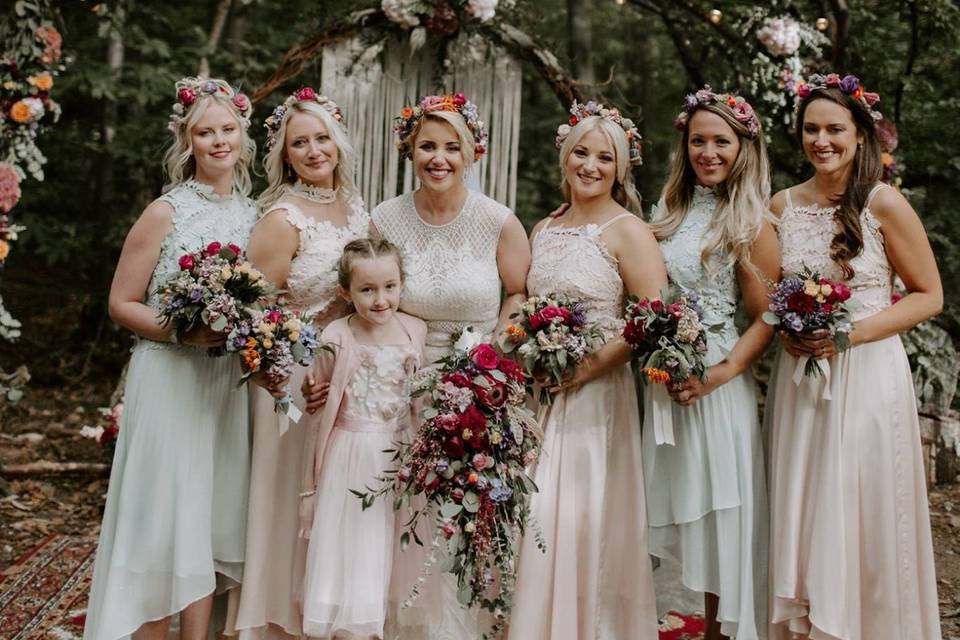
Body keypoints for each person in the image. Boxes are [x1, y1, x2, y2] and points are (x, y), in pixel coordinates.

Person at [336, 92, 529, 639]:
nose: (438, 157)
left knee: (465, 508)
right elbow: (361, 295)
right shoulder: (385, 218)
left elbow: (517, 293)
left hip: (478, 382)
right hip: (399, 383)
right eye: (427, 146)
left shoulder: (498, 221)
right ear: (410, 150)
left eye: (451, 146)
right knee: (403, 507)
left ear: (471, 153)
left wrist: (491, 352)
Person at [766, 73, 942, 639]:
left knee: (861, 502)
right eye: (812, 129)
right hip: (801, 378)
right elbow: (768, 296)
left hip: (867, 374)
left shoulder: (884, 204)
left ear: (860, 135)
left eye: (835, 129)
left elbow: (929, 295)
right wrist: (788, 328)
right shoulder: (781, 205)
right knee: (807, 499)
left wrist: (849, 335)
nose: (823, 140)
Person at [84, 77, 257, 640]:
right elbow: (119, 303)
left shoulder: (257, 215)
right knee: (162, 516)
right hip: (169, 377)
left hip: (226, 385)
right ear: (187, 141)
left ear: (243, 134)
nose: (218, 141)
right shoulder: (165, 212)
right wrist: (182, 334)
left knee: (210, 513)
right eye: (205, 132)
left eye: (227, 129)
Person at [508, 100, 663, 639]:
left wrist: (585, 370)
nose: (590, 166)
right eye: (581, 153)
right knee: (538, 514)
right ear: (565, 158)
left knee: (580, 514)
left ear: (621, 167)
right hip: (541, 393)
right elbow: (524, 305)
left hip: (597, 395)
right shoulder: (544, 227)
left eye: (604, 157)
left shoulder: (629, 231)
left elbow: (650, 317)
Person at [224, 88, 368, 640]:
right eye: (299, 143)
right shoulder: (281, 219)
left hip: (348, 370)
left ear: (338, 142)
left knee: (332, 496)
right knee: (290, 497)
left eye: (321, 138)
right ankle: (274, 619)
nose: (313, 150)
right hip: (292, 374)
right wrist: (283, 376)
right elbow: (253, 312)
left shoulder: (358, 208)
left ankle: (325, 614)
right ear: (284, 154)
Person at [643, 88, 778, 640]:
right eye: (697, 140)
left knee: (720, 519)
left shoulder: (753, 222)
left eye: (721, 140)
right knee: (669, 504)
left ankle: (722, 633)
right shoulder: (667, 210)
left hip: (718, 378)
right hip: (663, 376)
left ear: (744, 147)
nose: (708, 151)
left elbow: (767, 316)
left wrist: (717, 377)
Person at [298, 238, 426, 639]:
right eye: (367, 289)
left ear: (402, 284)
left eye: (389, 286)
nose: (380, 299)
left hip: (399, 456)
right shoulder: (337, 337)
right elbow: (318, 402)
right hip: (350, 458)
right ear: (345, 292)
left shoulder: (415, 330)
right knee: (351, 553)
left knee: (388, 552)